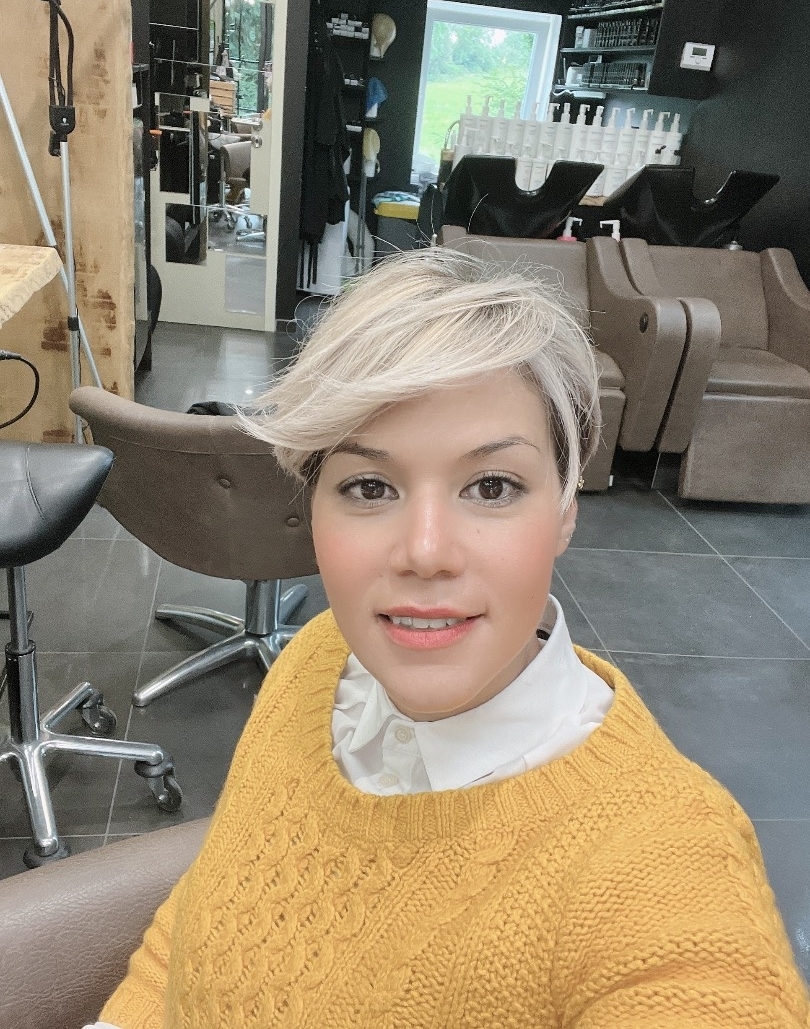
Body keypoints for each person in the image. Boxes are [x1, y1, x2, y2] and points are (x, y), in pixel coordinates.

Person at [94, 248, 809, 1029]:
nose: (426, 552)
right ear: (312, 506)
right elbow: (193, 929)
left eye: (492, 487)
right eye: (370, 487)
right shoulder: (317, 659)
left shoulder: (663, 862)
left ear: (565, 512)